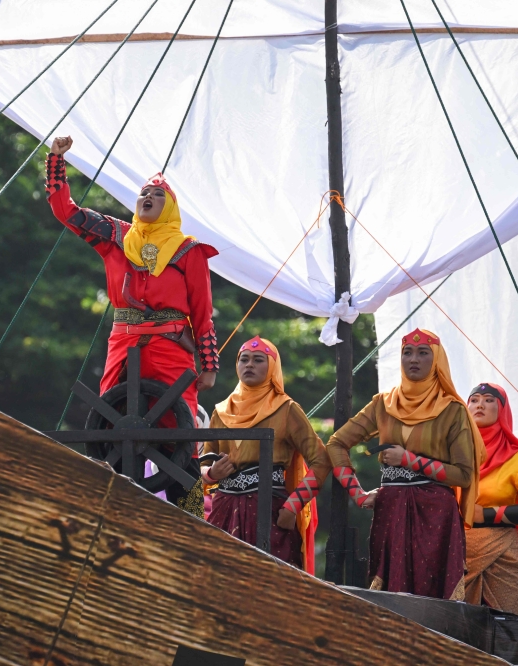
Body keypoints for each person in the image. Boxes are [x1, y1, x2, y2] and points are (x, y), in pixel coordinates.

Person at [46, 136, 220, 516]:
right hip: (123, 343)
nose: (147, 197)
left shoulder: (188, 251)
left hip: (170, 345)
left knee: (180, 431)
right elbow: (67, 212)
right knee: (113, 424)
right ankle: (113, 514)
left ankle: (191, 518)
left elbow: (202, 313)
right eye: (143, 193)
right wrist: (56, 161)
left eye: (156, 195)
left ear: (170, 206)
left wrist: (208, 365)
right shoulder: (117, 236)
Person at [326, 329, 485, 600]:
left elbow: (464, 475)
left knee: (433, 598)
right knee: (390, 595)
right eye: (407, 353)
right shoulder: (383, 404)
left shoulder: (452, 410)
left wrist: (410, 460)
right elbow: (336, 444)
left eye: (423, 353)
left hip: (436, 512)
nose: (413, 359)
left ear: (436, 360)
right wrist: (358, 494)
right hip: (392, 508)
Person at [202, 336, 331, 571]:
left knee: (269, 585)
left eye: (258, 360)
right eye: (244, 359)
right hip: (224, 511)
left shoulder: (286, 408)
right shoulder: (220, 411)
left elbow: (321, 461)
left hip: (269, 512)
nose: (249, 365)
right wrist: (211, 473)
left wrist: (293, 505)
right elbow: (202, 463)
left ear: (272, 367)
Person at [464, 383, 518, 614]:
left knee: (508, 627)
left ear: (502, 410)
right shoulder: (450, 454)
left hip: (502, 551)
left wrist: (487, 513)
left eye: (489, 400)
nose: (480, 404)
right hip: (457, 550)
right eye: (474, 399)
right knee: (449, 623)